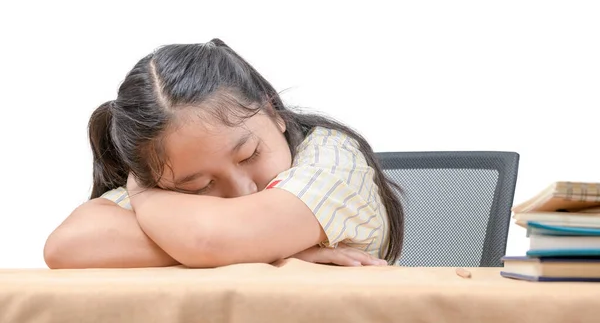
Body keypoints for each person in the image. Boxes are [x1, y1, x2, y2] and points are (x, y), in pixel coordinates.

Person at [43, 39, 404, 269]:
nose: (242, 190)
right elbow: (68, 246)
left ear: (273, 112)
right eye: (200, 186)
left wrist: (145, 197)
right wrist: (277, 252)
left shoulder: (334, 159)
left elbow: (210, 239)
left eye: (249, 155)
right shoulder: (167, 184)